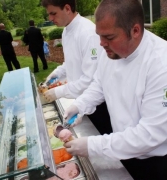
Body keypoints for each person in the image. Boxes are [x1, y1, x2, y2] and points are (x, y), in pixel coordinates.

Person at [62, 0, 167, 180]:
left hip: (153, 161)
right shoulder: (109, 51)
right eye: (99, 36)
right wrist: (79, 106)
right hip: (120, 148)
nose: (101, 44)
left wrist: (93, 146)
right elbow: (99, 84)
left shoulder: (160, 63)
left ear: (135, 31)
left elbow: (151, 133)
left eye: (109, 37)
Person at [41, 0, 112, 135]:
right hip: (81, 102)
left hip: (98, 105)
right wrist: (54, 76)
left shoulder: (87, 33)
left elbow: (90, 79)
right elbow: (70, 63)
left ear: (67, 8)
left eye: (53, 13)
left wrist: (58, 92)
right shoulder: (66, 32)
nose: (50, 18)